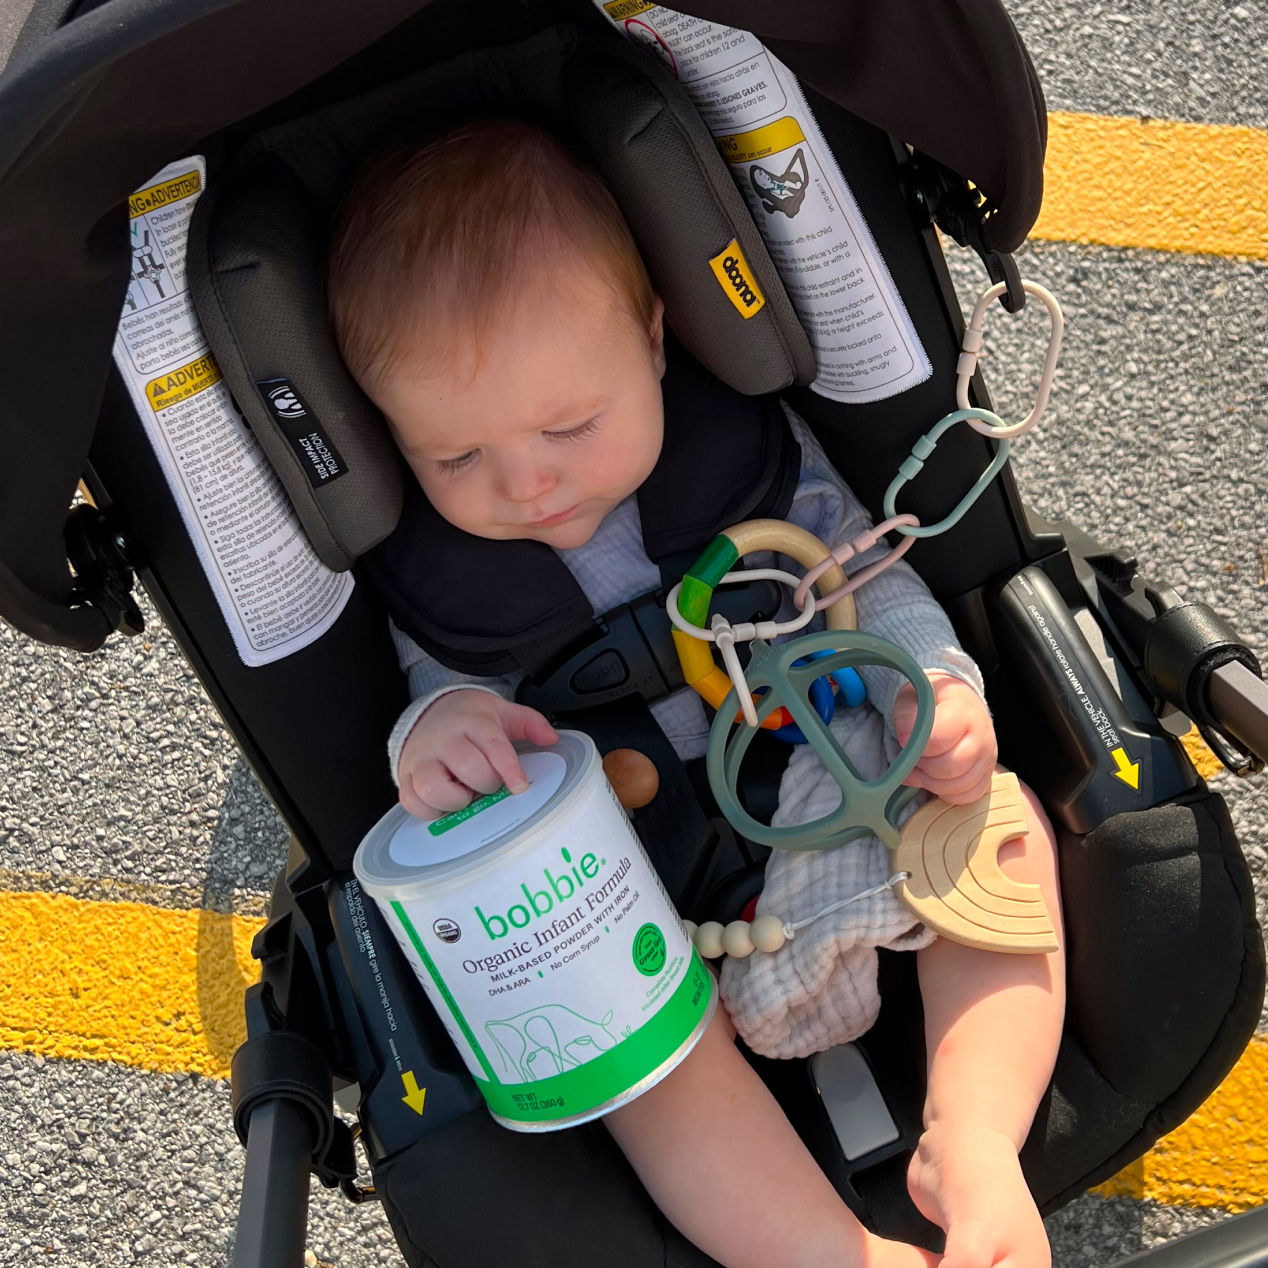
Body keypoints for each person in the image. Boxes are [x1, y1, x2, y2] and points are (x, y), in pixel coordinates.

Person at [326, 118, 1064, 1268]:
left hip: (835, 789)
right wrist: (440, 730)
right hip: (640, 905)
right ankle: (830, 1253)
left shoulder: (741, 459)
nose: (523, 481)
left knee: (998, 833)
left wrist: (933, 684)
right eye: (453, 460)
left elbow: (870, 577)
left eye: (568, 425)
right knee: (633, 1062)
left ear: (656, 341)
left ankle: (972, 1139)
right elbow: (428, 692)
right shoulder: (444, 579)